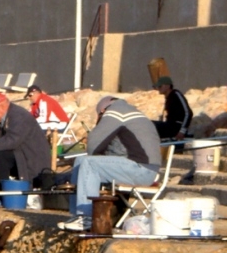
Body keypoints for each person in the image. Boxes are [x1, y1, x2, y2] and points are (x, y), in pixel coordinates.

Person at [59, 96, 161, 231]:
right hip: (142, 168)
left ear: (102, 110)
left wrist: (96, 154)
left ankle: (86, 217)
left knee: (88, 163)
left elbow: (94, 143)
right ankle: (77, 215)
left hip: (142, 169)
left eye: (100, 117)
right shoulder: (129, 112)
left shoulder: (116, 111)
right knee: (81, 161)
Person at [0, 92, 51, 186]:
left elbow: (12, 140)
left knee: (1, 156)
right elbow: (0, 144)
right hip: (20, 156)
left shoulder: (19, 115)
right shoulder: (5, 118)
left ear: (2, 107)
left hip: (33, 162)